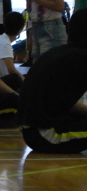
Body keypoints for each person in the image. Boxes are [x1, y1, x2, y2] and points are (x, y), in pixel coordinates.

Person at [18, 8, 87, 154]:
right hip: (47, 135)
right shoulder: (80, 58)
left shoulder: (59, 53)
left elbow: (58, 102)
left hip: (33, 133)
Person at [0, 12, 25, 82]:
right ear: (21, 28)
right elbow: (11, 70)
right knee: (16, 78)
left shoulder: (0, 38)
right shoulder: (5, 44)